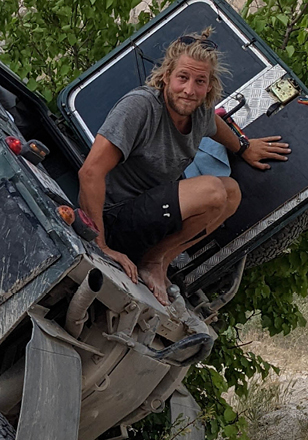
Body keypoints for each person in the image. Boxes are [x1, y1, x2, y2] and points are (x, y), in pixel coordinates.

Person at [78, 30, 290, 305]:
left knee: (231, 192)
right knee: (213, 190)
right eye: (183, 78)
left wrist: (244, 147)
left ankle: (157, 261)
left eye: (199, 81)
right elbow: (90, 173)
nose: (189, 90)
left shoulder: (199, 113)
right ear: (167, 76)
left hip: (148, 216)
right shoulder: (140, 107)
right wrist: (100, 245)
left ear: (208, 87)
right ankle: (149, 259)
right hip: (111, 218)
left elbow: (216, 126)